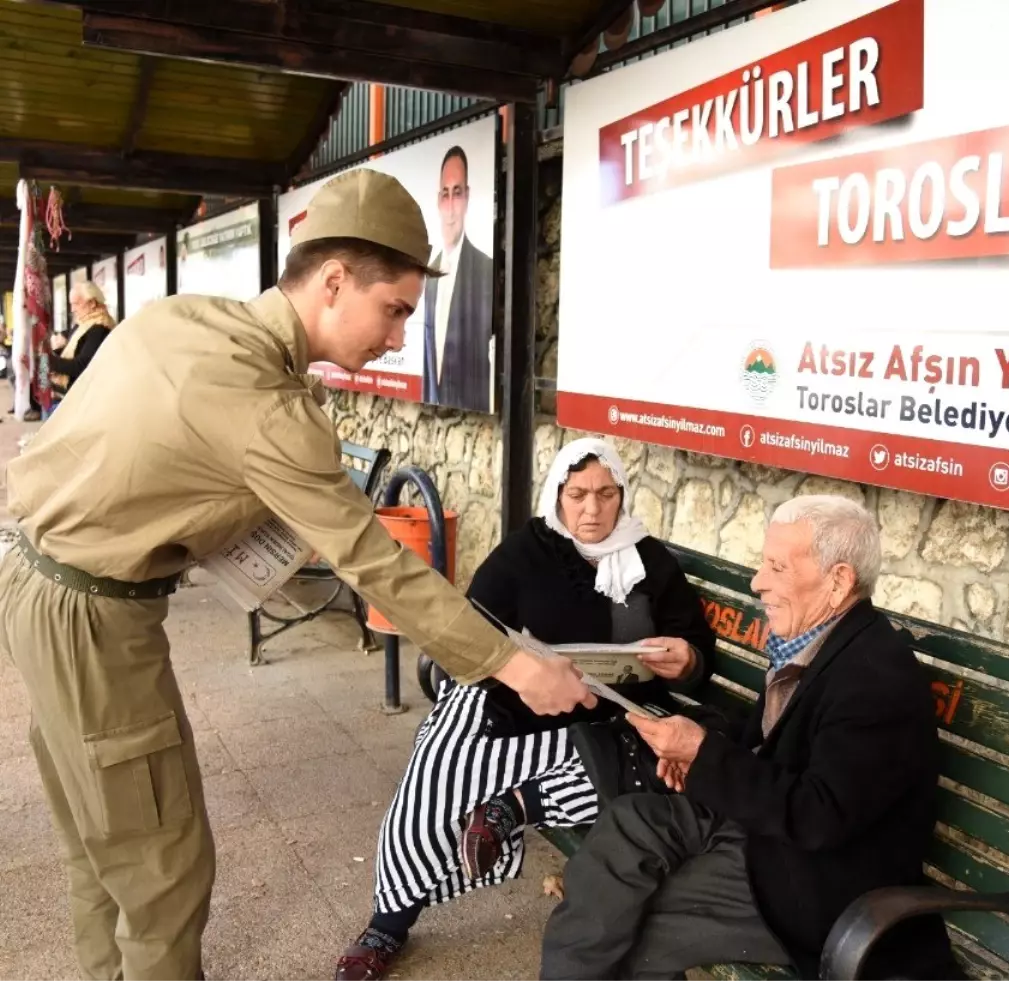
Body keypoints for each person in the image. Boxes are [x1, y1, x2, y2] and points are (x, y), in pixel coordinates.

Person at [0, 167, 595, 981]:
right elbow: (378, 563)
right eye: (393, 311)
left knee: (101, 845)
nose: (395, 338)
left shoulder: (185, 319)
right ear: (334, 281)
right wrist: (515, 664)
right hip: (95, 620)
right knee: (164, 871)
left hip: (39, 583)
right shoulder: (266, 404)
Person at [335, 437, 717, 981]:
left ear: (621, 495)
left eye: (606, 494)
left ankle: (513, 807)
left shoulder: (648, 559)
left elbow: (697, 647)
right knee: (439, 767)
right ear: (558, 493)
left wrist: (688, 659)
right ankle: (388, 922)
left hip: (603, 719)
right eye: (579, 494)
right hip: (509, 701)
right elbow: (470, 627)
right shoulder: (527, 550)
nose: (592, 509)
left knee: (631, 767)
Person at [539, 495, 961, 981]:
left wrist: (705, 756)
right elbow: (769, 745)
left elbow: (817, 817)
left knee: (638, 926)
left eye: (777, 567)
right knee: (629, 823)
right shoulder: (816, 640)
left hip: (814, 882)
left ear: (838, 581)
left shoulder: (874, 678)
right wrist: (696, 751)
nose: (758, 581)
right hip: (764, 828)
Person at [421, 145, 493, 412]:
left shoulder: (485, 270)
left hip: (471, 414)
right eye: (445, 194)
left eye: (458, 193)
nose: (451, 207)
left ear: (468, 198)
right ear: (438, 200)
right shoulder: (429, 274)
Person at [48, 280, 115, 411]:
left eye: (76, 304)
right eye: (71, 304)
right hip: (63, 394)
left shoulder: (99, 328)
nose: (72, 309)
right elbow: (74, 352)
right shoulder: (82, 324)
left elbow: (81, 365)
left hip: (78, 401)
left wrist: (48, 359)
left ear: (92, 303)